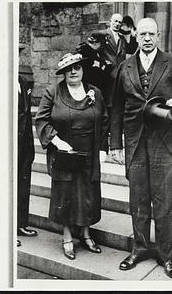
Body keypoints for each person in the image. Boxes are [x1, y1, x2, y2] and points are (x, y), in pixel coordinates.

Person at [110, 18, 172, 279]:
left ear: (158, 36)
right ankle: (140, 248)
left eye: (151, 34)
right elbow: (115, 108)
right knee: (138, 199)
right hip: (135, 142)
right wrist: (115, 143)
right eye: (142, 33)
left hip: (164, 143)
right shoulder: (124, 67)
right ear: (135, 36)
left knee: (164, 201)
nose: (147, 38)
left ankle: (166, 256)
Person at [35, 53, 108, 260]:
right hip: (65, 150)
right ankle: (67, 236)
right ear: (63, 73)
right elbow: (41, 120)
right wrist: (57, 142)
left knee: (88, 193)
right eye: (68, 69)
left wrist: (103, 149)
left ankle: (85, 234)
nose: (73, 72)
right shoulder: (53, 92)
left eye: (77, 67)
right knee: (65, 192)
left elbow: (104, 121)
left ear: (83, 70)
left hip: (89, 151)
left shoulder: (95, 92)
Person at [18, 49, 38, 247]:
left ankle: (20, 224)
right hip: (7, 143)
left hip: (23, 143)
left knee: (23, 183)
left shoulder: (22, 82)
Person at [99, 13, 127, 125]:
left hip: (118, 77)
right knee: (104, 104)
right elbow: (94, 52)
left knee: (115, 104)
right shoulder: (102, 35)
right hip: (105, 76)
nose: (117, 24)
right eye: (115, 21)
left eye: (119, 22)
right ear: (110, 21)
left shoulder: (122, 39)